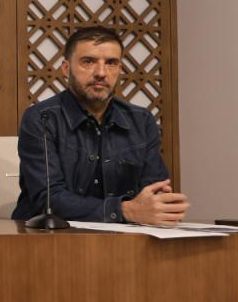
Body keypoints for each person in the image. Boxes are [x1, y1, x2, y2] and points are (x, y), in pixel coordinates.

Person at [12, 25, 187, 225]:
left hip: (123, 236)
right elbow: (48, 198)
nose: (101, 73)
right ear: (66, 69)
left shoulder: (142, 121)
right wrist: (124, 210)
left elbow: (153, 190)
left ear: (120, 69)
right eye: (88, 61)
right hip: (49, 237)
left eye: (111, 63)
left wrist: (160, 207)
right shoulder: (41, 118)